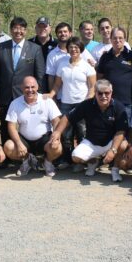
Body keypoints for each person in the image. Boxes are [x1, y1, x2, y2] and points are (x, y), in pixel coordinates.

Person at [51, 79, 128, 181]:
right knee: (76, 157)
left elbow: (120, 132)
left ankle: (115, 170)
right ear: (95, 93)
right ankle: (93, 162)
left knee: (123, 144)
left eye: (107, 93)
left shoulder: (119, 107)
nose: (103, 96)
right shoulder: (86, 105)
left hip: (111, 142)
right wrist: (57, 132)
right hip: (92, 142)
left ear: (111, 93)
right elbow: (68, 117)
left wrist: (113, 150)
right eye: (100, 93)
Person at [45, 37, 96, 166]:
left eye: (76, 47)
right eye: (71, 47)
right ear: (67, 49)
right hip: (66, 104)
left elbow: (92, 87)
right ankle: (67, 160)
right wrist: (51, 94)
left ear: (81, 49)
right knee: (66, 134)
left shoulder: (87, 66)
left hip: (82, 104)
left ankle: (81, 161)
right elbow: (57, 85)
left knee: (82, 133)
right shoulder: (62, 64)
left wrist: (87, 101)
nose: (73, 49)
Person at [0, 17, 45, 144]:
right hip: (6, 96)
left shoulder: (35, 49)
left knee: (27, 127)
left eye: (21, 28)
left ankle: (26, 155)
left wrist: (38, 96)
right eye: (15, 28)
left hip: (27, 95)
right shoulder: (1, 47)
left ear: (26, 31)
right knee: (5, 127)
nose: (18, 31)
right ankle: (8, 158)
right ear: (11, 30)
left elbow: (40, 75)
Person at [3, 77, 62, 177]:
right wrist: (18, 143)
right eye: (26, 87)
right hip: (24, 139)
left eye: (32, 87)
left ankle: (47, 162)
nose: (30, 90)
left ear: (37, 87)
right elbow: (11, 126)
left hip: (44, 139)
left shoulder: (47, 101)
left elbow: (56, 121)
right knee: (8, 147)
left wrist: (56, 136)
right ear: (22, 88)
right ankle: (26, 161)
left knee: (57, 147)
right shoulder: (15, 103)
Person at [97, 27, 132, 121]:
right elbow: (99, 77)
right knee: (109, 130)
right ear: (111, 39)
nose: (117, 40)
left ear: (125, 39)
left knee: (127, 130)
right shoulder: (105, 57)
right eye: (114, 38)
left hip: (127, 101)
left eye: (120, 38)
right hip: (108, 101)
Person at [46, 22, 95, 93]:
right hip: (61, 96)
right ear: (56, 34)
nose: (63, 34)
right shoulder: (52, 55)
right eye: (60, 32)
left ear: (70, 33)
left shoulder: (80, 50)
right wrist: (53, 97)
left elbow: (92, 67)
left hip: (81, 95)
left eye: (65, 31)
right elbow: (51, 77)